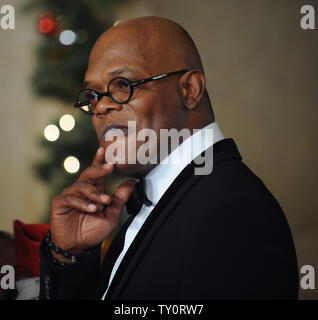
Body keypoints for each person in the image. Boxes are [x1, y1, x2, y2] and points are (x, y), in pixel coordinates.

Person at [39, 16, 298, 300]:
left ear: (190, 90)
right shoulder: (165, 199)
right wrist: (68, 256)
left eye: (123, 84)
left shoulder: (235, 213)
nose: (100, 107)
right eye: (92, 95)